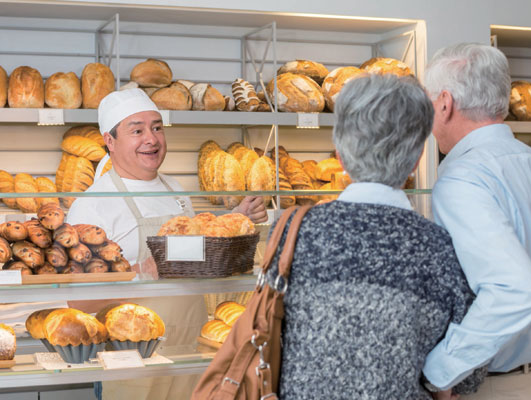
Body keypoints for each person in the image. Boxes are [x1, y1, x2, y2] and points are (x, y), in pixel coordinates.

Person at [265, 74, 486, 399]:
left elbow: (271, 335)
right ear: (415, 160)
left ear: (339, 156)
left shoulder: (292, 230)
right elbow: (468, 373)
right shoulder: (438, 247)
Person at [65, 88, 267, 400]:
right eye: (137, 130)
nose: (152, 139)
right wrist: (140, 273)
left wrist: (233, 220)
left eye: (157, 127)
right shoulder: (93, 206)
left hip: (190, 352)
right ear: (110, 141)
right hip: (132, 360)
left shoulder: (175, 189)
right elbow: (77, 305)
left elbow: (193, 254)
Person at [421, 43, 531, 400]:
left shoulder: (462, 179)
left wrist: (440, 371)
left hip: (491, 387)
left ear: (446, 103)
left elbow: (515, 290)